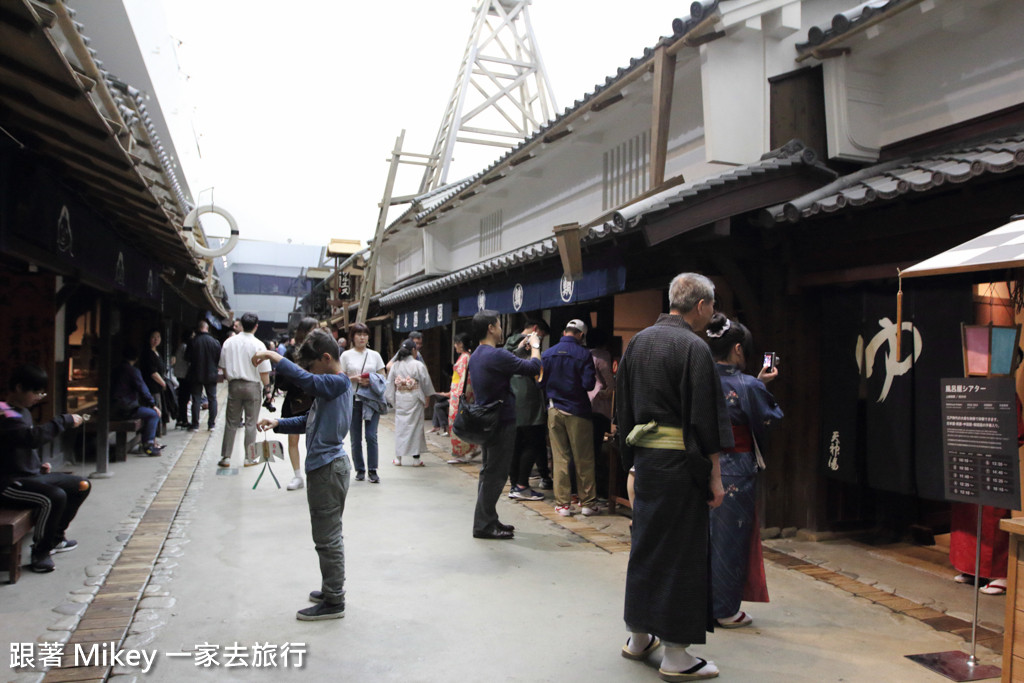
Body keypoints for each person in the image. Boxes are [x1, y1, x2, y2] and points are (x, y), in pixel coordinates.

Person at [616, 272, 732, 681]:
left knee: (645, 544)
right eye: (712, 306)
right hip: (681, 466)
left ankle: (638, 635)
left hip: (646, 462)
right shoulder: (693, 347)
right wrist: (715, 478)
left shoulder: (639, 343)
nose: (713, 313)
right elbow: (706, 421)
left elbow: (623, 410)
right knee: (682, 553)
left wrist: (632, 461)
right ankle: (677, 654)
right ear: (701, 306)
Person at [255, 329, 352, 620]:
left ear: (326, 358)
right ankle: (331, 588)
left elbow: (307, 380)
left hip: (328, 468)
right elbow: (309, 421)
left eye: (312, 366)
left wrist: (275, 356)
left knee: (327, 537)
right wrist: (278, 422)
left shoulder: (336, 382)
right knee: (326, 534)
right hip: (327, 466)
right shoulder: (330, 388)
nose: (310, 374)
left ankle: (334, 600)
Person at [704, 313, 782, 629]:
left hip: (698, 466)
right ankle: (724, 608)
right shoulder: (746, 385)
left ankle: (699, 602)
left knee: (702, 538)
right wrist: (757, 387)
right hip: (734, 468)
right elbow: (771, 418)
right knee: (730, 539)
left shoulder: (698, 378)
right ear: (738, 349)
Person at [0, 364, 88, 573]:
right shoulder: (3, 411)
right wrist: (63, 421)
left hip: (28, 476)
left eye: (42, 392)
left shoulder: (22, 411)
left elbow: (21, 445)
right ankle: (41, 551)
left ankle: (56, 538)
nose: (39, 397)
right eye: (36, 392)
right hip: (8, 483)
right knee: (54, 497)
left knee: (81, 485)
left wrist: (38, 465)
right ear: (19, 388)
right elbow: (30, 438)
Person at [466, 310, 542, 540]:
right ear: (491, 327)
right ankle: (484, 525)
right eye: (499, 325)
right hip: (500, 421)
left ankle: (487, 519)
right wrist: (536, 346)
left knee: (488, 472)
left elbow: (508, 362)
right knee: (496, 475)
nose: (501, 329)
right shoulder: (495, 355)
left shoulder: (479, 354)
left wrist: (520, 350)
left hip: (487, 421)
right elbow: (533, 368)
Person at [542, 319, 598, 516]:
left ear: (565, 332)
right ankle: (588, 504)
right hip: (578, 411)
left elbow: (540, 382)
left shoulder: (547, 354)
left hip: (554, 409)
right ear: (581, 335)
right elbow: (589, 384)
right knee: (584, 458)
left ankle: (563, 504)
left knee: (560, 458)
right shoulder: (584, 354)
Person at [503, 319, 550, 500]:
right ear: (536, 329)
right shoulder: (531, 345)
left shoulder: (508, 345)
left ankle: (515, 484)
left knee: (516, 446)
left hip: (511, 402)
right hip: (528, 402)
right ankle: (522, 485)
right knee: (534, 443)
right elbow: (536, 371)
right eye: (542, 336)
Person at [217, 313, 271, 468]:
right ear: (256, 326)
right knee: (251, 423)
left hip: (234, 385)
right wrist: (267, 390)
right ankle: (249, 458)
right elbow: (264, 371)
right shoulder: (259, 345)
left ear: (240, 324)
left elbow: (224, 366)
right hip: (253, 386)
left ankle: (226, 457)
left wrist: (231, 380)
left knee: (231, 422)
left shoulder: (229, 342)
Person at [277, 318, 319, 490]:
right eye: (313, 329)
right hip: (295, 399)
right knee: (293, 439)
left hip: (315, 398)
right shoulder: (290, 352)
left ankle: (314, 474)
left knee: (314, 439)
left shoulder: (319, 350)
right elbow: (280, 380)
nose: (315, 332)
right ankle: (297, 475)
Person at [340, 323, 385, 483]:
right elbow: (339, 377)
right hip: (352, 400)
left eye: (365, 334)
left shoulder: (375, 355)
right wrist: (354, 379)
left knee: (371, 436)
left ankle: (373, 470)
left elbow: (382, 377)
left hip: (371, 400)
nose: (362, 337)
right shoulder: (346, 356)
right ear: (352, 337)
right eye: (358, 334)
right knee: (355, 437)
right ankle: (360, 469)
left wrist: (371, 381)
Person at [385, 339, 435, 467]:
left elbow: (390, 384)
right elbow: (426, 383)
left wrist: (391, 399)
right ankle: (416, 460)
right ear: (413, 350)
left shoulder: (396, 365)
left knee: (401, 428)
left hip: (401, 397)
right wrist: (427, 396)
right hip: (414, 397)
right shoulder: (418, 365)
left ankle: (398, 458)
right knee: (416, 428)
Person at [111, 346, 162, 456]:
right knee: (153, 415)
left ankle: (146, 442)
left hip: (112, 408)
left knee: (145, 413)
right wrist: (152, 404)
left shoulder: (115, 369)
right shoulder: (133, 371)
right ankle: (148, 445)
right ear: (136, 358)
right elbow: (142, 388)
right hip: (125, 408)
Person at [588, 328, 615, 498]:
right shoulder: (602, 355)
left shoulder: (584, 354)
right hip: (598, 406)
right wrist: (611, 389)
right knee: (596, 449)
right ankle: (599, 489)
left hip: (584, 404)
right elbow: (609, 382)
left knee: (586, 449)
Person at [445, 333, 479, 464]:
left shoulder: (465, 358)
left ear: (460, 343)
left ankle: (461, 453)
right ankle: (471, 448)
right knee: (464, 423)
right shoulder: (466, 357)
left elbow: (463, 380)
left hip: (459, 395)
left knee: (458, 424)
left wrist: (458, 397)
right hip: (458, 393)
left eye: (456, 343)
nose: (455, 346)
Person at [187, 320, 221, 431]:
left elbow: (187, 357)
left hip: (196, 373)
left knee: (196, 399)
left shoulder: (193, 341)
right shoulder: (215, 342)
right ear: (207, 328)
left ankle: (195, 424)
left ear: (198, 328)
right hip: (211, 374)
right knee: (212, 399)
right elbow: (218, 359)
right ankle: (211, 424)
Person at [139, 328, 169, 439]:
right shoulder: (148, 354)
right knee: (155, 409)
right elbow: (152, 372)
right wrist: (163, 383)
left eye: (158, 337)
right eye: (153, 337)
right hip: (151, 387)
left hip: (157, 387)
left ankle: (156, 433)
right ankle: (152, 436)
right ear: (149, 339)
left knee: (159, 409)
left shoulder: (157, 352)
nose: (156, 340)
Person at [172, 330, 193, 429]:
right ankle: (183, 420)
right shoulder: (185, 347)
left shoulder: (181, 346)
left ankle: (180, 418)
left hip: (180, 374)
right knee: (184, 398)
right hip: (185, 375)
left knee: (182, 398)